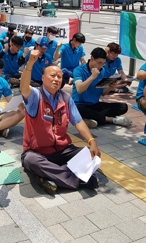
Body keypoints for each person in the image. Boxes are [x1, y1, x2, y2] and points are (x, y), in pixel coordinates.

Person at [19, 50, 101, 194]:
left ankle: (52, 176)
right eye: (52, 76)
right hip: (37, 152)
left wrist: (91, 141)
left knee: (90, 154)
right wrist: (30, 63)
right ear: (43, 78)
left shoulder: (66, 98)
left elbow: (79, 121)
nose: (56, 79)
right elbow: (24, 87)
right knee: (32, 161)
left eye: (59, 76)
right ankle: (79, 179)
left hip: (62, 150)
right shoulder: (35, 97)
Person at [72, 47, 131, 129]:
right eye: (99, 63)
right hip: (80, 104)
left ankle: (90, 118)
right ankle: (110, 120)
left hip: (95, 104)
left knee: (123, 107)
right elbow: (79, 89)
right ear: (92, 58)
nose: (100, 66)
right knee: (78, 109)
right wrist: (92, 77)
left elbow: (103, 93)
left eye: (103, 63)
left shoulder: (102, 70)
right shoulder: (79, 70)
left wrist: (110, 87)